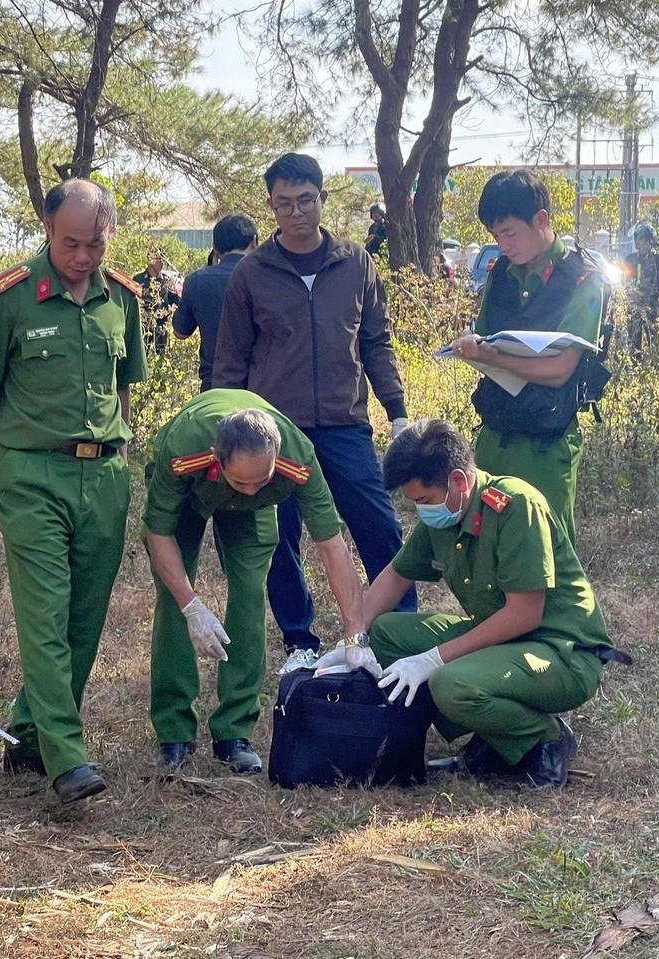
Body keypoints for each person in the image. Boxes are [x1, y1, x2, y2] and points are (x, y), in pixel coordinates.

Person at [0, 179, 147, 805]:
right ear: (47, 227)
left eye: (95, 244)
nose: (84, 256)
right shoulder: (10, 297)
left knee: (84, 617)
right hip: (32, 472)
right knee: (44, 613)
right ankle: (67, 757)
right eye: (71, 243)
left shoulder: (124, 299)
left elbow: (121, 389)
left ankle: (30, 734)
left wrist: (120, 447)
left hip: (105, 475)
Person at [332, 419, 624, 788]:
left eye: (423, 500)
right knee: (387, 633)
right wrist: (352, 640)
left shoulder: (516, 506)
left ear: (458, 480)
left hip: (560, 652)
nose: (421, 511)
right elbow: (395, 576)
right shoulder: (445, 512)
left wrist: (433, 658)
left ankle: (544, 739)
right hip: (503, 642)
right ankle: (492, 735)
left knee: (451, 683)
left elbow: (524, 614)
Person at [213, 152, 415, 675]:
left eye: (306, 200)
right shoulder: (253, 274)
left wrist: (397, 412)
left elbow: (376, 342)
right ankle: (299, 641)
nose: (297, 212)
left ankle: (398, 630)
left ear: (323, 199)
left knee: (378, 527)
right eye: (284, 204)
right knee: (281, 536)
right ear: (271, 207)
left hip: (345, 424)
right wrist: (227, 427)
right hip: (274, 432)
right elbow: (230, 359)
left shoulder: (355, 263)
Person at [143, 390, 366, 774]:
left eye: (259, 479)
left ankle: (234, 732)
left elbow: (332, 547)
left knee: (249, 595)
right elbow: (158, 533)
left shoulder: (298, 458)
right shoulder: (183, 449)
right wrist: (191, 604)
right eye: (240, 481)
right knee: (174, 598)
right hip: (190, 495)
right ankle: (174, 732)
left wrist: (354, 634)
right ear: (218, 457)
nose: (249, 488)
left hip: (258, 514)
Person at [451, 170, 610, 545]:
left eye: (510, 234)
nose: (504, 246)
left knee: (548, 550)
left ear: (541, 220)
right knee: (492, 546)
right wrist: (471, 346)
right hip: (496, 433)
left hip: (546, 441)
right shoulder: (501, 274)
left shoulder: (585, 280)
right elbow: (487, 337)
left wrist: (495, 359)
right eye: (495, 237)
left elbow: (559, 370)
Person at [173, 215, 258, 392]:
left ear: (215, 249)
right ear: (254, 242)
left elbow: (180, 332)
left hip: (215, 384)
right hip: (259, 384)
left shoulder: (197, 281)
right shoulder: (267, 278)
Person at [624, 223, 659, 358]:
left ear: (649, 241)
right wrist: (632, 292)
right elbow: (624, 280)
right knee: (634, 339)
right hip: (633, 305)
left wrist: (645, 295)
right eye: (637, 238)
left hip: (651, 306)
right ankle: (635, 367)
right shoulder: (629, 260)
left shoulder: (656, 260)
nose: (639, 242)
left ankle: (654, 365)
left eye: (642, 239)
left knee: (653, 338)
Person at [133, 247, 181, 357]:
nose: (162, 263)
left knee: (161, 358)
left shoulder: (166, 280)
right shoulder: (138, 280)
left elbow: (175, 300)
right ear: (151, 260)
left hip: (161, 330)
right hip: (144, 330)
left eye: (163, 259)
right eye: (159, 259)